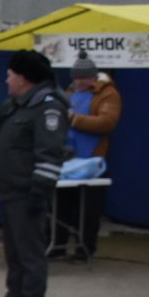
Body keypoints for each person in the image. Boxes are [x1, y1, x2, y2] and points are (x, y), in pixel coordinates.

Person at [0, 49, 66, 297]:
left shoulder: (47, 107)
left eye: (10, 75)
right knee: (14, 253)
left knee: (29, 254)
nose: (6, 80)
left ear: (23, 78)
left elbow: (50, 154)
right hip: (11, 190)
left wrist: (38, 195)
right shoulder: (20, 105)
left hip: (28, 193)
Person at [54, 53, 120, 259]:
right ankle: (57, 245)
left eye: (83, 78)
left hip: (93, 159)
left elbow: (107, 123)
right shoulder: (70, 90)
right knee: (61, 204)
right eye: (75, 78)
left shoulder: (108, 94)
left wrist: (75, 119)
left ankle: (85, 249)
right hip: (67, 158)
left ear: (93, 77)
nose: (78, 82)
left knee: (88, 208)